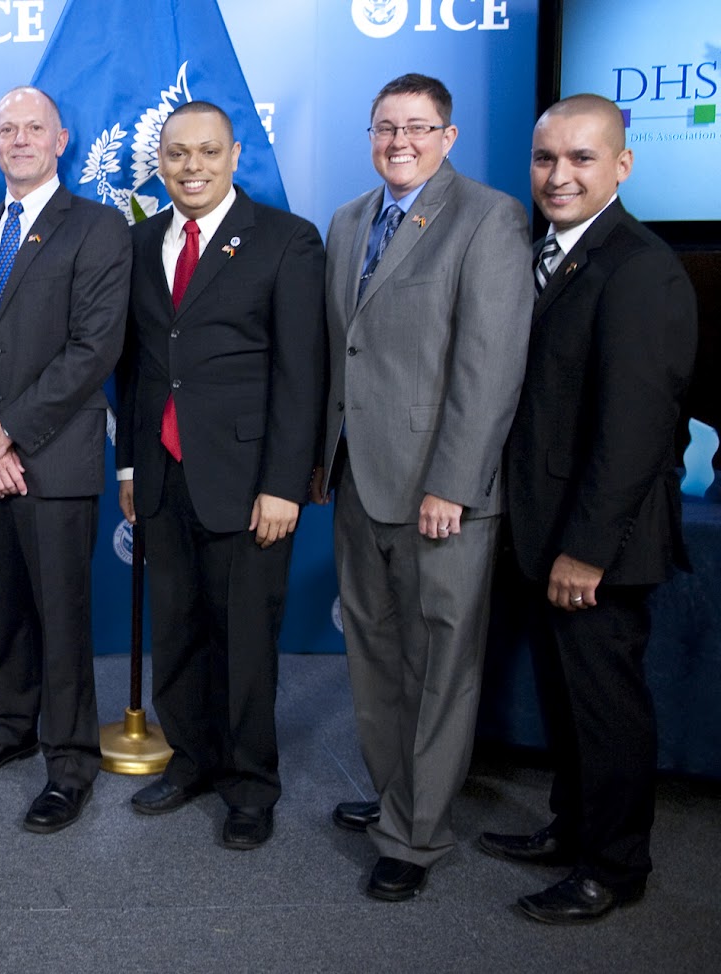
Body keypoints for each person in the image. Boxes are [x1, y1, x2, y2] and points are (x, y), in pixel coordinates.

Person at [312, 73, 531, 900]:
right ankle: (393, 798)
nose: (399, 141)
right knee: (374, 657)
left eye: (417, 127)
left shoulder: (488, 217)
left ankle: (418, 837)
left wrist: (455, 483)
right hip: (358, 481)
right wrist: (322, 459)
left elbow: (489, 364)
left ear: (449, 135)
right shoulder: (347, 222)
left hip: (441, 494)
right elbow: (348, 355)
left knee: (440, 665)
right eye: (384, 127)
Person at [481, 93, 696, 925]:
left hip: (596, 547)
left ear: (622, 165)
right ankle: (572, 830)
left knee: (607, 711)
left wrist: (587, 551)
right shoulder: (552, 253)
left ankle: (614, 866)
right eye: (546, 159)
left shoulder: (639, 267)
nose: (558, 175)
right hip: (545, 533)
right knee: (570, 704)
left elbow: (636, 431)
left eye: (580, 159)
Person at [114, 102, 325, 849]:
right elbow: (140, 366)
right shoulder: (140, 243)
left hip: (248, 481)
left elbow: (303, 373)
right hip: (166, 475)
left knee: (243, 643)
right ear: (161, 161)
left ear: (235, 155)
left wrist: (284, 483)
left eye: (207, 151)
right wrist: (132, 463)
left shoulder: (286, 240)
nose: (191, 166)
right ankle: (194, 760)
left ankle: (249, 786)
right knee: (177, 632)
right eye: (177, 154)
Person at [0, 86, 130, 833]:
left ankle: (70, 760)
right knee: (9, 607)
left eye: (35, 128)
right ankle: (13, 725)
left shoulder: (99, 227)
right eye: (7, 130)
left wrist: (8, 433)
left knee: (61, 614)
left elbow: (94, 350)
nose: (20, 140)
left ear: (62, 140)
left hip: (55, 459)